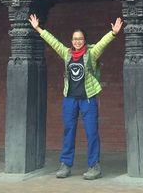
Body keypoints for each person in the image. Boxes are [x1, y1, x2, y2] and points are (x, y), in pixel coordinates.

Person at [28, 13, 123, 180]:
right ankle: (65, 165)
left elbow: (102, 44)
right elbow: (53, 41)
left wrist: (113, 33)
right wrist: (38, 29)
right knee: (69, 131)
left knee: (92, 132)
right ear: (71, 41)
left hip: (88, 99)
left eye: (80, 39)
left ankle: (94, 166)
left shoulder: (91, 54)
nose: (77, 41)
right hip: (70, 99)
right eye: (74, 39)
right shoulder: (67, 54)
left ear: (84, 40)